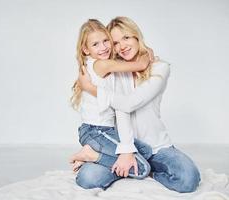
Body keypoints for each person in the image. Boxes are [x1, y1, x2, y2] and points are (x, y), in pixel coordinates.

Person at [76, 16, 201, 193]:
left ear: (136, 36)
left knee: (188, 179)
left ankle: (142, 169)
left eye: (126, 38)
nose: (122, 46)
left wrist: (90, 88)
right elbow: (119, 108)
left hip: (155, 147)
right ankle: (126, 163)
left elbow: (128, 104)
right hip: (120, 146)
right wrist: (125, 150)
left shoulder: (159, 67)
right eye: (116, 42)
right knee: (87, 179)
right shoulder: (115, 71)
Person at [70, 19, 153, 189]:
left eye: (106, 41)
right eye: (95, 44)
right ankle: (93, 155)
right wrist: (147, 52)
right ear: (86, 49)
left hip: (104, 131)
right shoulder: (101, 64)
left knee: (146, 151)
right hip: (96, 131)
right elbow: (140, 64)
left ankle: (100, 161)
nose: (103, 47)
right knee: (143, 168)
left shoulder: (98, 64)